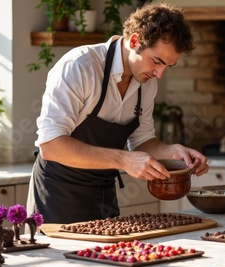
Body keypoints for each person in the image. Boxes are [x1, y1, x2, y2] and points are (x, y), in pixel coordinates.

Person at [26, 3, 209, 224]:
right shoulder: (80, 66)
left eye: (167, 66)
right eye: (157, 61)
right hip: (56, 195)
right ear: (134, 42)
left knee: (110, 258)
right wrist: (123, 160)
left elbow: (142, 141)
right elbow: (51, 146)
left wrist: (172, 151)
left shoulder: (146, 81)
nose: (159, 74)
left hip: (103, 195)